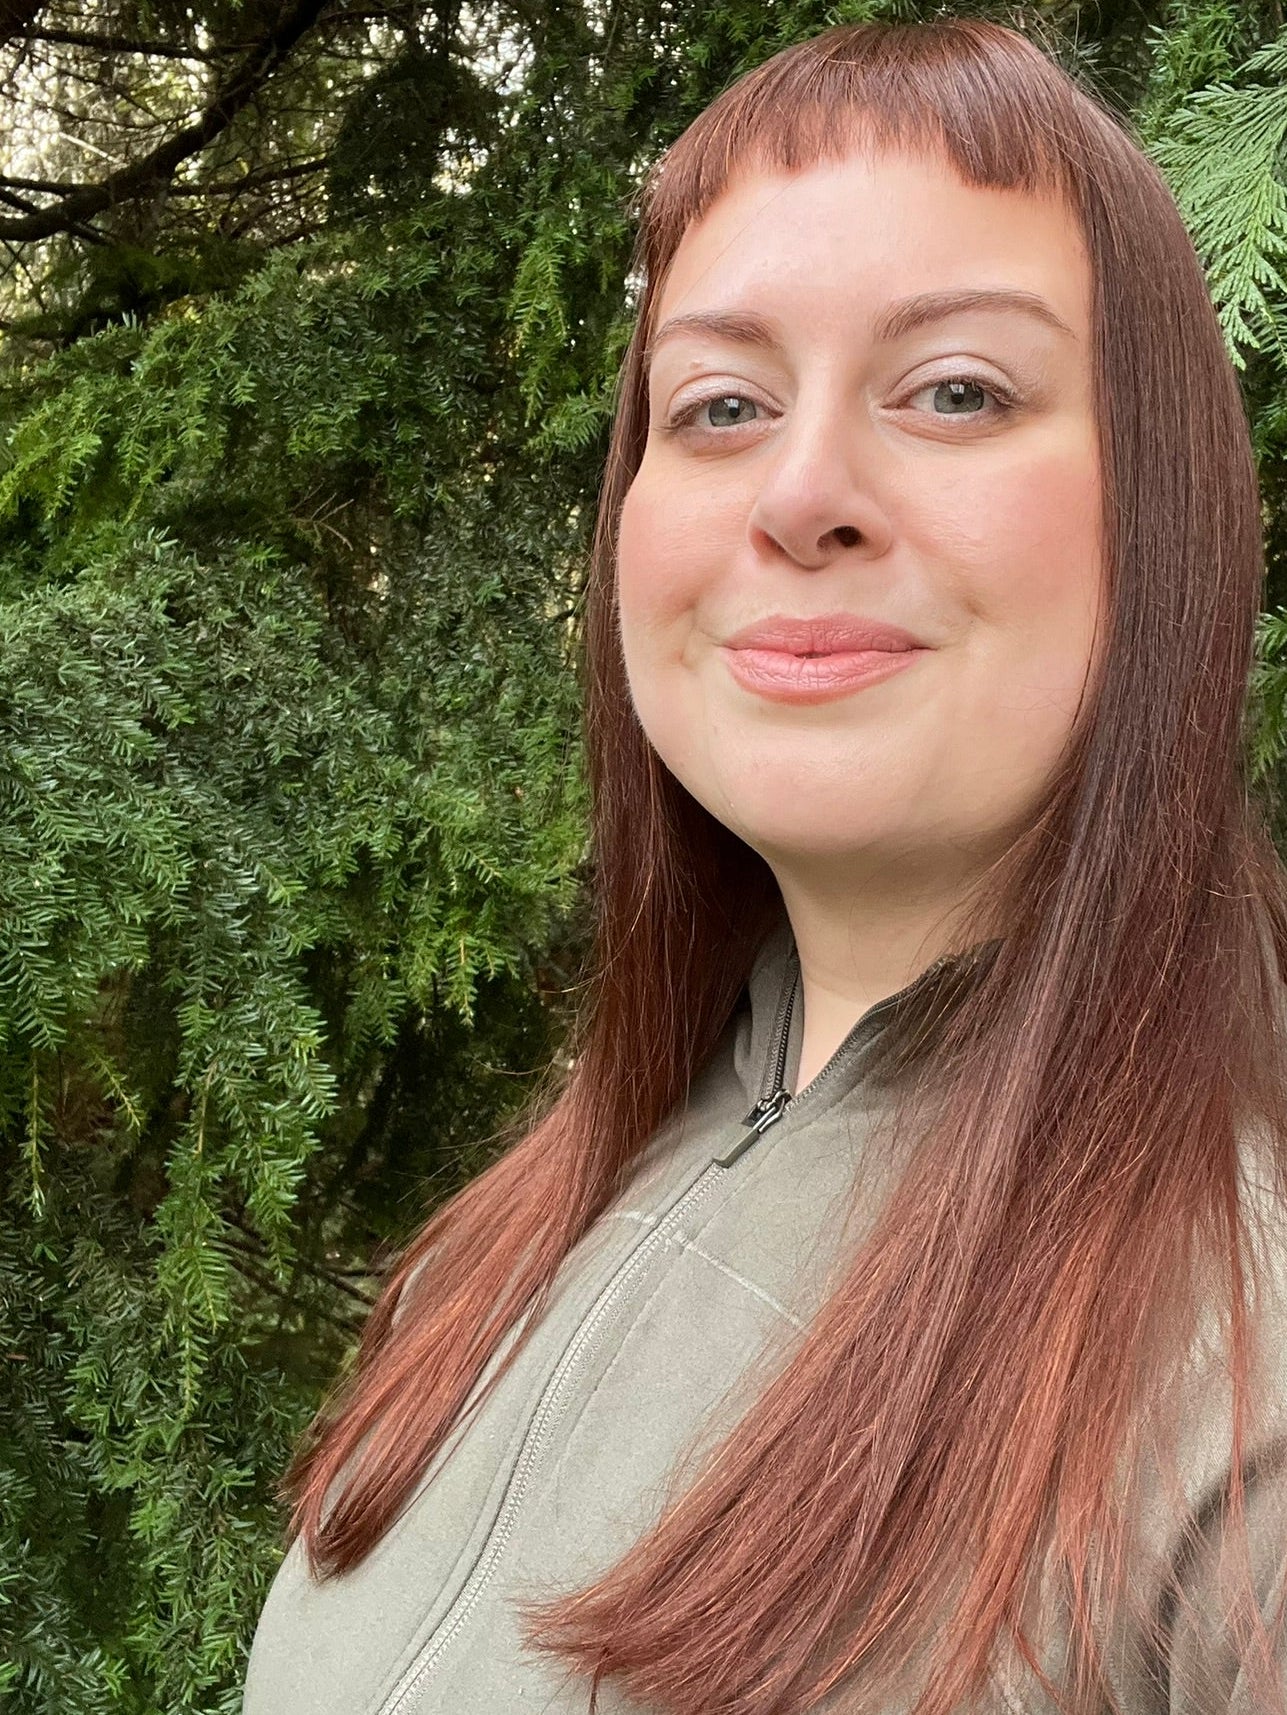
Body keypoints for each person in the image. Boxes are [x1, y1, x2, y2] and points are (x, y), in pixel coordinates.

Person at [241, 17, 1287, 1715]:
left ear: (1167, 511)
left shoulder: (1240, 1397)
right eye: (719, 405)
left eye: (957, 389)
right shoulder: (504, 1238)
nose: (802, 494)